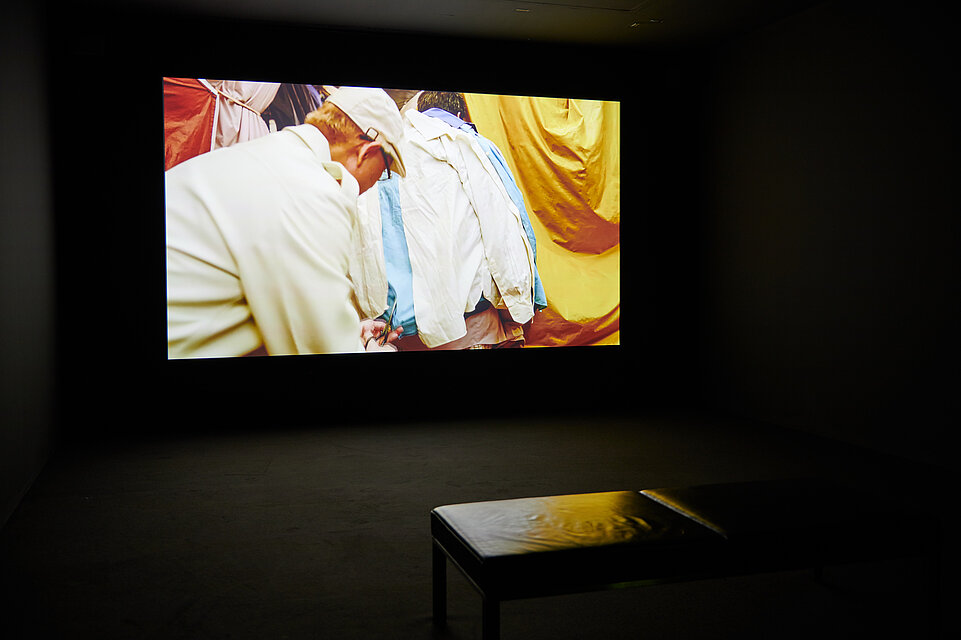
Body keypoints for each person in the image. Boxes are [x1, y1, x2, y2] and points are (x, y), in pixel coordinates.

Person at [165, 86, 407, 358]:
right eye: (385, 169)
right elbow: (325, 350)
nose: (377, 182)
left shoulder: (268, 155)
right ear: (368, 151)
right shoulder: (311, 190)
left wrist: (346, 329)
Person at [354, 90, 542, 350]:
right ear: (458, 114)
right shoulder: (466, 142)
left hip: (393, 326)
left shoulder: (381, 153)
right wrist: (519, 300)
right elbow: (505, 225)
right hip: (470, 322)